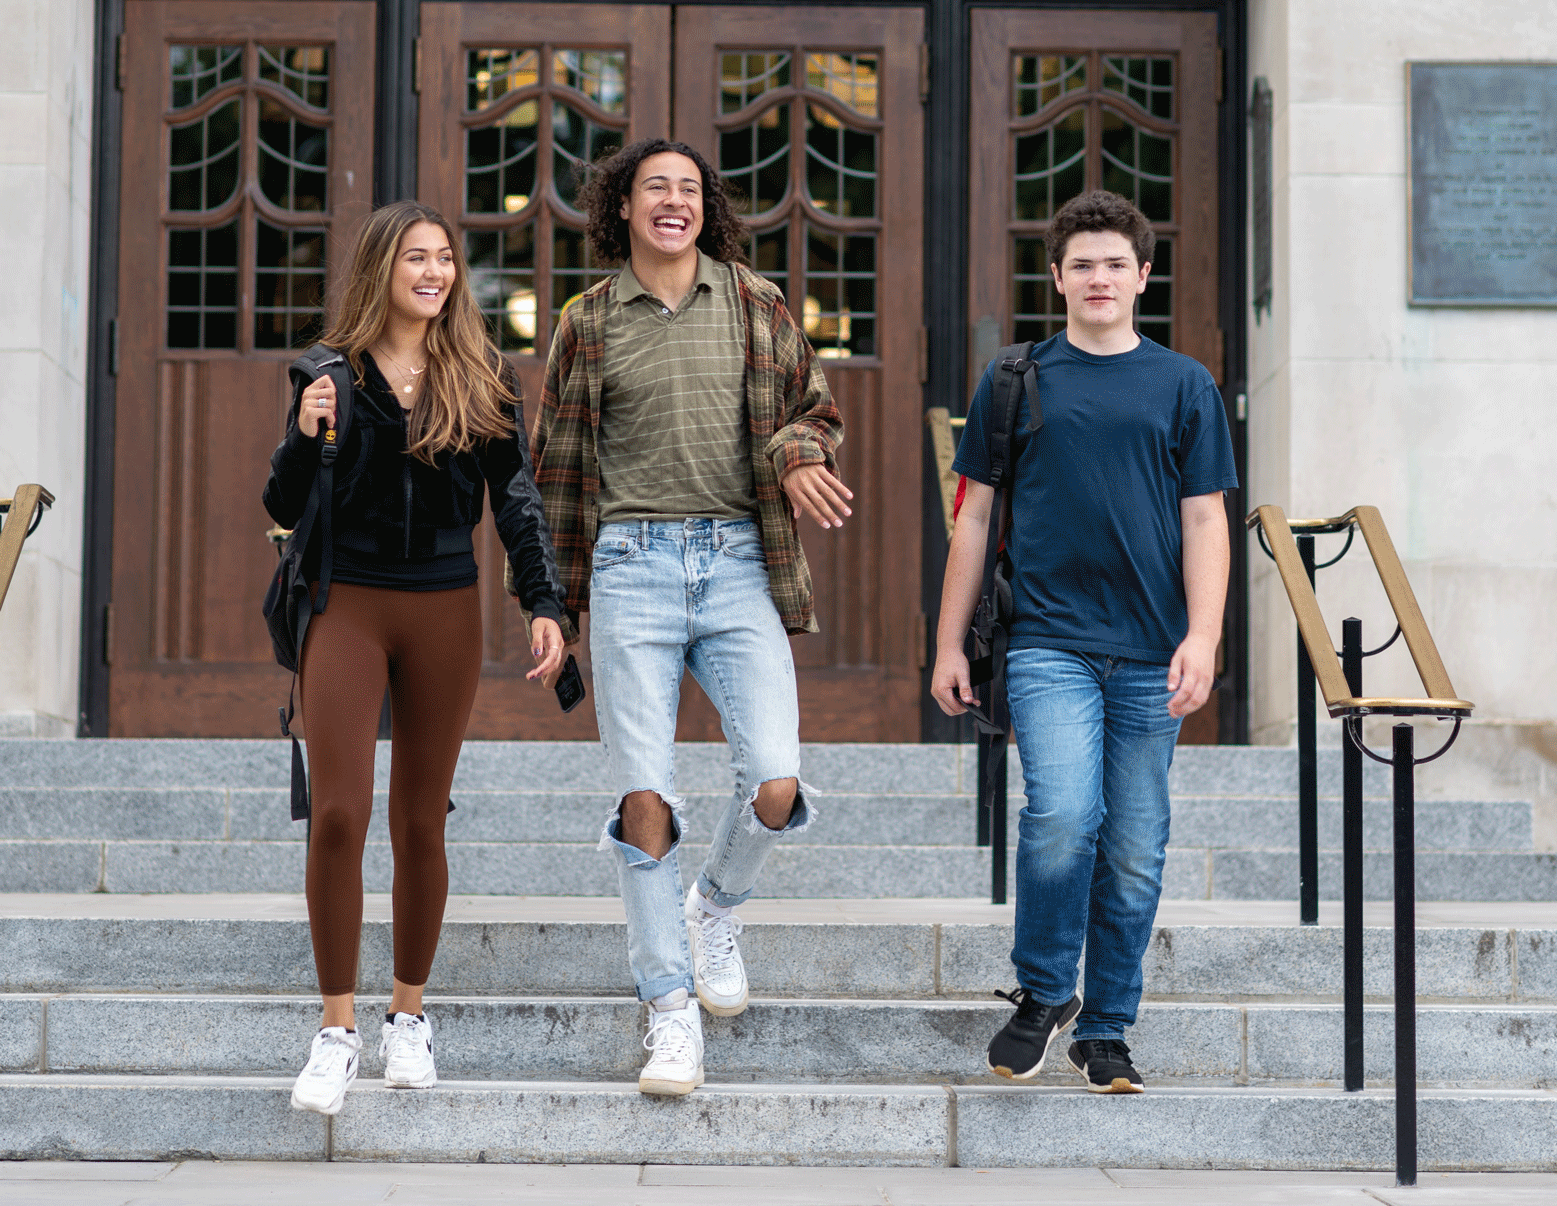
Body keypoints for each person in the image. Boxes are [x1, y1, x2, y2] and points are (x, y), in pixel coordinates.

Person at [519, 137, 850, 1096]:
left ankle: (715, 904)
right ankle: (669, 1013)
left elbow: (815, 410)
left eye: (690, 190)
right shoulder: (586, 320)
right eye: (655, 188)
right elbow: (557, 468)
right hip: (629, 566)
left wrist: (794, 453)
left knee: (778, 778)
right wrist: (550, 602)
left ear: (708, 209)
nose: (675, 201)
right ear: (621, 206)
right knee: (644, 796)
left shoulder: (755, 302)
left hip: (739, 560)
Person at [263, 201, 566, 1115]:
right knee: (339, 814)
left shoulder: (482, 376)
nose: (432, 272)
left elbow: (515, 500)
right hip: (346, 605)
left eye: (443, 259)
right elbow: (280, 502)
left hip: (443, 610)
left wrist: (543, 601)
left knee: (422, 821)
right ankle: (335, 1030)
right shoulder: (330, 373)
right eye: (414, 259)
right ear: (380, 270)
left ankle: (408, 1018)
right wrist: (304, 429)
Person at [930, 190, 1236, 1093]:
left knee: (1137, 844)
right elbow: (974, 519)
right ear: (1056, 277)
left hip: (1151, 649)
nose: (1098, 278)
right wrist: (950, 645)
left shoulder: (1185, 385)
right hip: (1048, 641)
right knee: (1063, 817)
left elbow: (1207, 521)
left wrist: (1206, 635)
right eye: (1082, 265)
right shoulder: (1017, 378)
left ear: (1144, 276)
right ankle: (1043, 990)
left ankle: (1105, 1029)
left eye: (1115, 264)